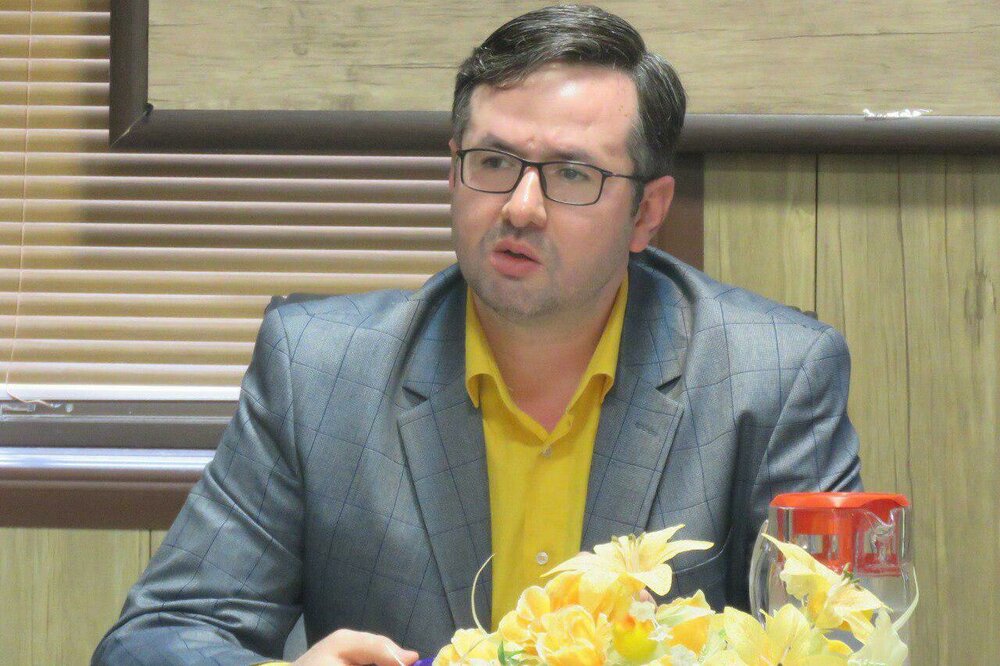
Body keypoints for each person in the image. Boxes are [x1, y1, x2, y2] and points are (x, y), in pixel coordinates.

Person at [93, 5, 861, 665]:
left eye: (572, 174)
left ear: (648, 213)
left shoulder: (770, 377)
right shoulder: (319, 371)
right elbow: (153, 639)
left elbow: (840, 643)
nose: (520, 207)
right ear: (452, 171)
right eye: (493, 161)